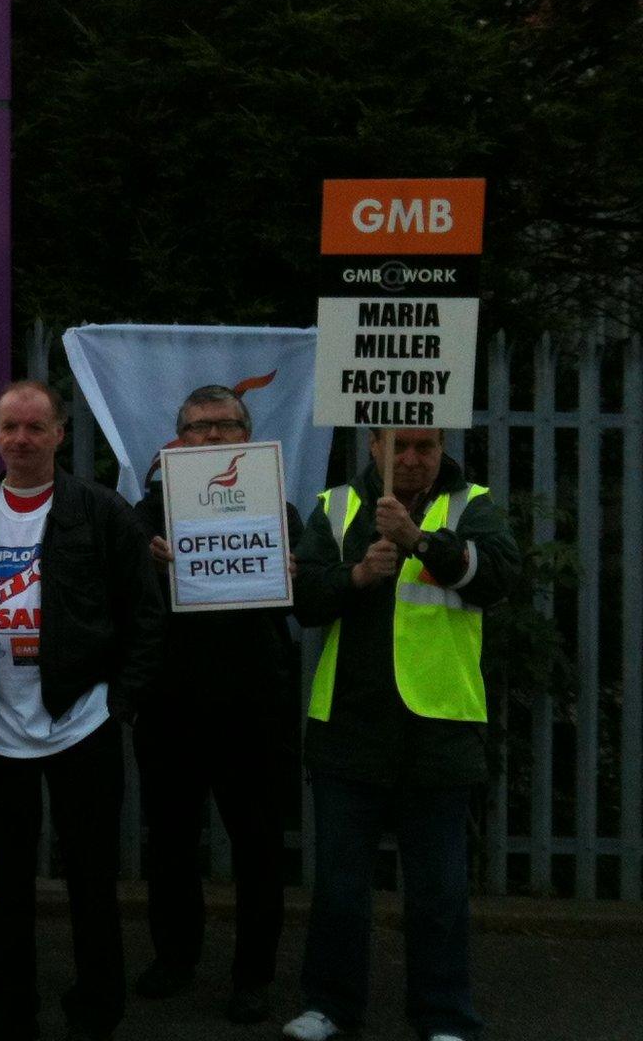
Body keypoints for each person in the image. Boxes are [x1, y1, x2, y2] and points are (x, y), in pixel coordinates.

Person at [0, 380, 163, 1041]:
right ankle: (12, 1005)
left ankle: (96, 1006)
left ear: (60, 433)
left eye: (35, 427)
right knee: (9, 879)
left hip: (81, 723)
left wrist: (121, 703)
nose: (21, 440)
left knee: (91, 878)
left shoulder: (102, 512)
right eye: (9, 428)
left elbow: (145, 614)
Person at [282, 427, 518, 1041]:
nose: (413, 459)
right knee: (338, 887)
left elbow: (496, 580)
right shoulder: (336, 507)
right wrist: (356, 576)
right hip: (349, 727)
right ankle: (329, 1006)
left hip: (438, 727)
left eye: (426, 447)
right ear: (374, 447)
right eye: (401, 446)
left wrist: (420, 542)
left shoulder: (472, 504)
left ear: (442, 449)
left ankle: (444, 1014)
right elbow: (303, 597)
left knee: (439, 891)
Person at [129, 385, 303, 1023]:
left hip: (253, 704)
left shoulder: (279, 511)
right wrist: (145, 565)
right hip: (171, 705)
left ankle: (252, 976)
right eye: (195, 427)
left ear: (246, 436)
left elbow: (301, 603)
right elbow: (122, 600)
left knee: (258, 844)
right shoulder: (145, 518)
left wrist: (292, 571)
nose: (208, 438)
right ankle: (175, 958)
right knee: (171, 841)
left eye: (223, 426)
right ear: (178, 438)